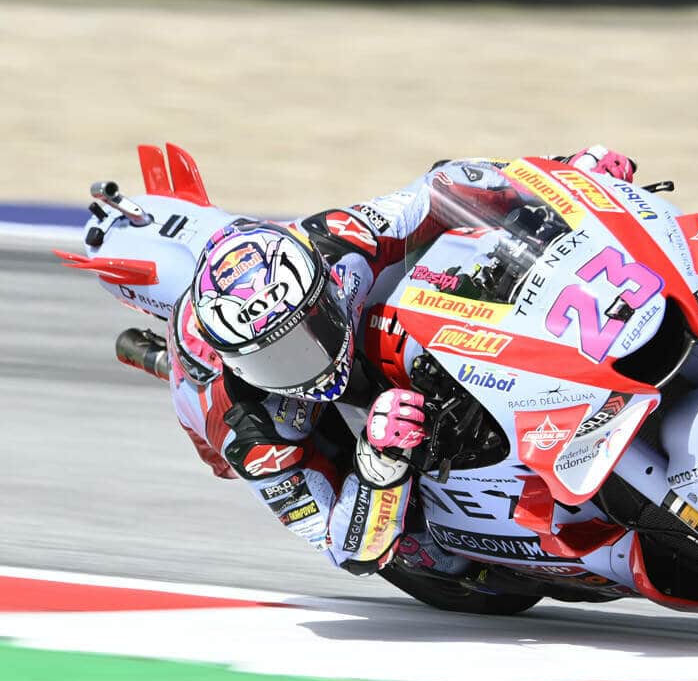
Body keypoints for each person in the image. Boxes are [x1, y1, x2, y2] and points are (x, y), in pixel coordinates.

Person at [167, 146, 638, 576]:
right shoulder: (247, 428)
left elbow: (444, 186)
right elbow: (342, 548)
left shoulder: (341, 240)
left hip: (394, 332)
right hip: (302, 433)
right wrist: (378, 465)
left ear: (326, 290)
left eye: (306, 333)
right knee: (437, 557)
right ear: (239, 364)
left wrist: (566, 180)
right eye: (275, 360)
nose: (305, 366)